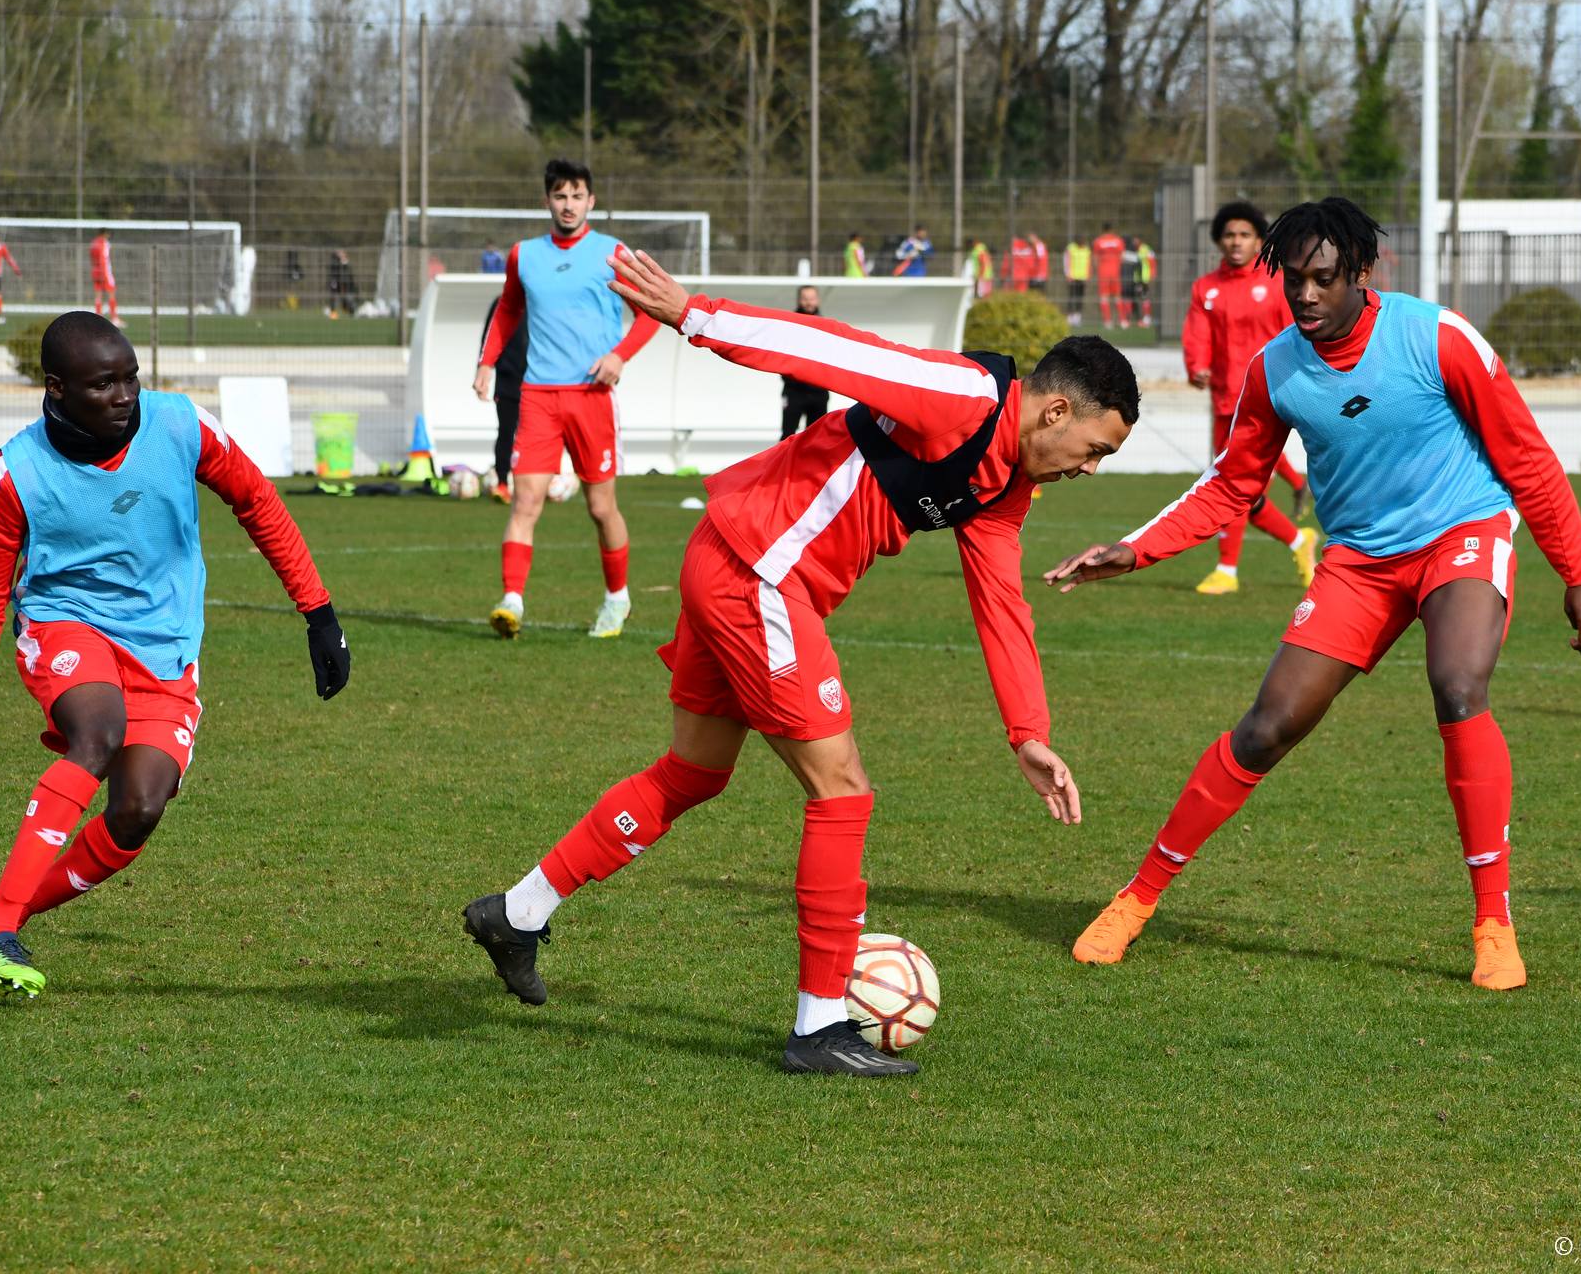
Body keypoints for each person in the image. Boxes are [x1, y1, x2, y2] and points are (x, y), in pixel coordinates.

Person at [460, 247, 1140, 1077]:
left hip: (737, 561)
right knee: (842, 790)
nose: (1091, 468)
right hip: (760, 575)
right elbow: (834, 351)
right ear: (1056, 410)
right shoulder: (966, 396)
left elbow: (1001, 599)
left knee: (694, 772)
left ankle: (518, 911)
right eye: (1095, 447)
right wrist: (694, 316)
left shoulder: (1006, 486)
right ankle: (820, 1028)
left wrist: (1027, 732)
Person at [1046, 198, 1581, 992]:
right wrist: (1135, 550)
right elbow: (1229, 487)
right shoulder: (1275, 369)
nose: (1305, 295)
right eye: (1293, 281)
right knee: (1267, 728)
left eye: (1323, 278)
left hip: (1461, 532)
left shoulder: (1436, 336)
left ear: (1361, 273)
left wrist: (1579, 573)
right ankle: (1138, 898)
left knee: (1457, 685)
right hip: (1358, 563)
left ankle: (1493, 922)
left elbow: (1526, 457)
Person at [0, 313, 350, 998]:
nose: (125, 394)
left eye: (131, 377)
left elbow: (258, 501)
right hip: (65, 626)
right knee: (96, 735)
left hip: (165, 648)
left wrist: (319, 613)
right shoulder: (15, 474)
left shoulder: (182, 425)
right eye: (104, 383)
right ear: (58, 389)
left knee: (139, 807)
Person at [473, 157, 661, 641]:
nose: (569, 204)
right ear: (547, 201)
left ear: (591, 201)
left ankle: (617, 598)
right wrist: (486, 362)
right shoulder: (524, 255)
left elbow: (651, 315)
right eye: (560, 196)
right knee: (525, 500)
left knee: (600, 508)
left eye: (577, 196)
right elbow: (509, 308)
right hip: (538, 395)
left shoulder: (611, 252)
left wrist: (619, 356)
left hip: (592, 396)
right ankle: (511, 600)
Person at [1184, 201, 1317, 597]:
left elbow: (1295, 331)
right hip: (1225, 399)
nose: (1236, 242)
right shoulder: (1206, 288)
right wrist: (1197, 366)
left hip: (1266, 397)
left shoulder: (1276, 282)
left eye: (1244, 235)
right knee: (1241, 488)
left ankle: (1227, 568)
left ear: (1258, 241)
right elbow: (1198, 333)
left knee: (1232, 484)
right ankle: (1298, 540)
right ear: (1219, 242)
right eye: (1228, 235)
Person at [478, 293, 530, 503]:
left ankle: (537, 483)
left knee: (535, 435)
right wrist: (483, 369)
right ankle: (501, 483)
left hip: (538, 379)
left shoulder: (544, 300)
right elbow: (489, 337)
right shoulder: (502, 303)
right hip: (508, 378)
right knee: (506, 433)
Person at [779, 286, 831, 440]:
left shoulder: (826, 326)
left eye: (812, 298)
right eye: (805, 298)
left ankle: (813, 465)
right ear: (799, 300)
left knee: (816, 438)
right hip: (794, 391)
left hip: (819, 392)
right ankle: (785, 464)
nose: (809, 302)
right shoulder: (789, 325)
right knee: (787, 435)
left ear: (818, 300)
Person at [1091, 223, 1127, 327]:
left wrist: (1096, 269)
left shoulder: (1098, 241)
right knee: (1117, 297)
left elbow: (1095, 259)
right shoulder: (1118, 240)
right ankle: (1122, 321)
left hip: (1103, 272)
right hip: (1115, 271)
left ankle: (1108, 322)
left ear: (1103, 230)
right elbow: (1123, 257)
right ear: (1112, 229)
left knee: (1104, 297)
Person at [89, 228, 121, 326]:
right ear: (104, 234)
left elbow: (92, 257)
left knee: (98, 295)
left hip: (95, 270)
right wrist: (104, 272)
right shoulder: (104, 243)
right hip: (105, 271)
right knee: (111, 293)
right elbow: (103, 257)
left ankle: (98, 317)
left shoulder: (93, 243)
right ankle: (114, 318)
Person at [1063, 238, 1091, 326]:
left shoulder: (1087, 249)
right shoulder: (1071, 248)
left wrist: (1088, 276)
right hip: (1073, 277)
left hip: (1083, 277)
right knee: (1072, 297)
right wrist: (1067, 274)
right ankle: (1069, 317)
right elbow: (1066, 261)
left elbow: (1088, 263)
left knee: (1080, 297)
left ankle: (1077, 318)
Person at [324, 249, 358, 318]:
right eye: (340, 253)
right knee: (333, 297)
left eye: (343, 253)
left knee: (347, 298)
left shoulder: (345, 263)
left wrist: (344, 262)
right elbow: (333, 271)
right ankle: (333, 313)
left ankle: (350, 311)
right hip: (336, 282)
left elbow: (348, 274)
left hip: (346, 284)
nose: (342, 254)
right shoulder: (335, 261)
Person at [1132, 237, 1157, 327]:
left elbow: (1152, 262)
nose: (1134, 243)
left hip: (1145, 278)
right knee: (1142, 298)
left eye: (1136, 241)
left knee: (1145, 297)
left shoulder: (1146, 249)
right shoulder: (1136, 251)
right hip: (1139, 279)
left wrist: (1152, 275)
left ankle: (1147, 319)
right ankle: (1145, 318)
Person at [1028, 230, 1050, 296]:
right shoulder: (1033, 246)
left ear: (1035, 237)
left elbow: (1041, 260)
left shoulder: (1039, 246)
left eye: (1030, 237)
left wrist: (1040, 273)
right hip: (1033, 275)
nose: (1029, 239)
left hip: (1038, 275)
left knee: (1039, 294)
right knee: (1032, 295)